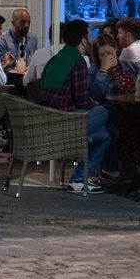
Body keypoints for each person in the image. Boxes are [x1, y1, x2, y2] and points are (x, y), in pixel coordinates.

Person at [36, 19, 111, 194]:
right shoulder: (77, 61)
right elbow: (82, 101)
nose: (91, 39)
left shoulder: (56, 58)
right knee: (104, 111)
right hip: (67, 121)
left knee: (105, 136)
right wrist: (95, 104)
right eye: (89, 34)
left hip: (48, 118)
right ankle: (81, 178)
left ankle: (78, 180)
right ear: (83, 40)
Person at [87, 33, 136, 103]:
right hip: (113, 106)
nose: (106, 57)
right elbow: (94, 96)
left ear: (115, 49)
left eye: (109, 52)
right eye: (102, 55)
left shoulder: (130, 65)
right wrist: (103, 70)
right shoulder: (93, 70)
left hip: (134, 103)